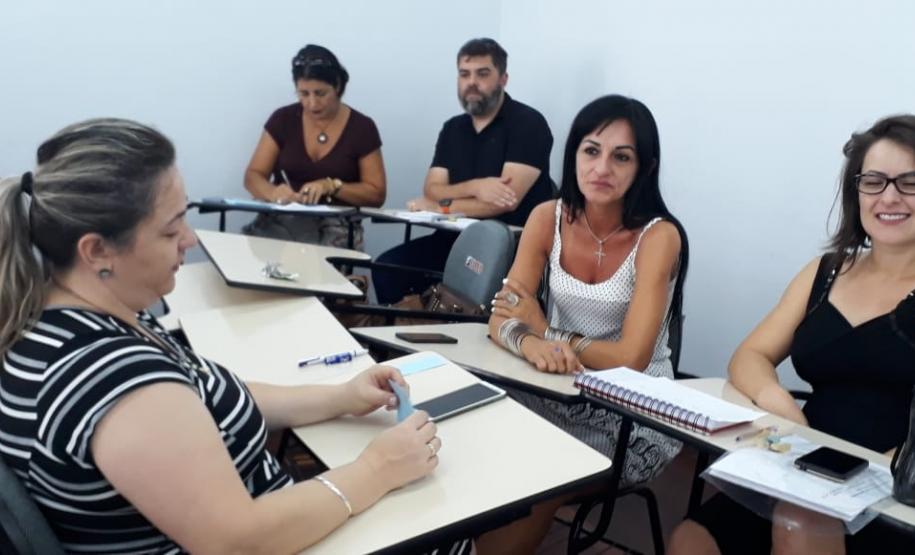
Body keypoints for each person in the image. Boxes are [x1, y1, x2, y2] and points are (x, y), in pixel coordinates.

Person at [0, 118, 440, 553]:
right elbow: (237, 542)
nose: (189, 239)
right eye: (171, 229)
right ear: (97, 251)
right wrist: (376, 469)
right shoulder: (113, 378)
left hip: (261, 516)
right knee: (445, 532)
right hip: (260, 539)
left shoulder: (72, 314)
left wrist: (340, 397)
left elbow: (204, 397)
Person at [668, 114, 915, 555]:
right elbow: (749, 356)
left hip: (892, 490)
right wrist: (782, 407)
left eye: (909, 182)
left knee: (797, 526)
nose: (889, 197)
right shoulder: (827, 271)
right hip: (806, 462)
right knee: (691, 540)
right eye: (874, 181)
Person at [480, 94, 689, 553]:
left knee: (543, 472)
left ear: (645, 167)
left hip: (633, 411)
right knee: (470, 435)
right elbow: (503, 316)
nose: (602, 168)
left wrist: (545, 332)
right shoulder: (545, 217)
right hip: (555, 384)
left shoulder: (659, 236)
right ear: (573, 154)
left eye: (621, 156)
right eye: (591, 151)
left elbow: (630, 360)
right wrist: (530, 345)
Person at [372, 37, 554, 304]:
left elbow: (502, 203)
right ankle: (406, 340)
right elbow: (431, 188)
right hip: (452, 239)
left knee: (459, 287)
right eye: (464, 74)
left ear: (503, 78)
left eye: (482, 74)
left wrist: (441, 207)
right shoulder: (453, 128)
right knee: (388, 267)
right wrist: (476, 187)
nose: (471, 82)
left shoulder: (528, 123)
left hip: (506, 246)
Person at [243, 44, 385, 250]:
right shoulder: (283, 119)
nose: (312, 103)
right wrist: (273, 193)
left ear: (337, 86)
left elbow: (376, 194)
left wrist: (333, 186)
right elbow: (253, 176)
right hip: (282, 222)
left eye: (320, 93)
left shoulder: (362, 128)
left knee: (316, 264)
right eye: (303, 94)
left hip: (336, 228)